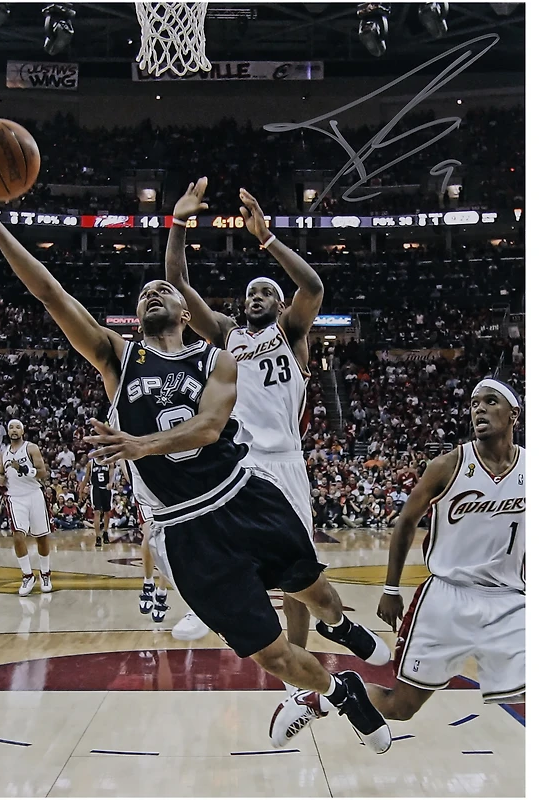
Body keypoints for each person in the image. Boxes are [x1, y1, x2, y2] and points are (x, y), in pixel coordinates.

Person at [0, 160, 392, 755]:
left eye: (162, 288)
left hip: (243, 495)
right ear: (135, 318)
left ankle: (342, 626)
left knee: (314, 591)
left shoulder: (219, 357)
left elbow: (211, 427)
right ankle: (341, 693)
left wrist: (138, 445)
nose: (153, 291)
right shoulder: (117, 357)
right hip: (184, 530)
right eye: (143, 294)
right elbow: (48, 291)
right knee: (268, 651)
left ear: (186, 312)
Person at [165, 178, 390, 687]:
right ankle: (209, 611)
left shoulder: (291, 333)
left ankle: (299, 677)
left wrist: (266, 238)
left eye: (268, 291)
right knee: (217, 548)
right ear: (243, 304)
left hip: (286, 462)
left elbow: (312, 288)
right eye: (253, 293)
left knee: (297, 576)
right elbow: (178, 284)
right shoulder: (227, 335)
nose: (261, 296)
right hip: (241, 464)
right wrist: (178, 223)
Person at [270, 377, 525, 742]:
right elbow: (405, 522)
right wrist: (391, 588)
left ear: (514, 413)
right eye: (473, 404)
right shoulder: (449, 465)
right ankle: (323, 698)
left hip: (508, 600)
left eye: (490, 402)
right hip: (447, 598)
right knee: (401, 706)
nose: (479, 409)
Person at [0, 418, 54, 596]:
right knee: (17, 535)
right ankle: (27, 575)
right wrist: (0, 478)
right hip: (15, 497)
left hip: (34, 494)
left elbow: (43, 473)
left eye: (17, 427)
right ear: (8, 432)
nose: (14, 430)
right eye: (11, 427)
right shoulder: (3, 452)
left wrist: (23, 469)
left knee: (42, 537)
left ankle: (45, 573)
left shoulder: (31, 448)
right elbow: (1, 473)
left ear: (22, 431)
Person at [79, 457, 113, 547]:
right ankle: (98, 536)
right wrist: (81, 490)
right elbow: (86, 477)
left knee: (107, 512)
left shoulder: (109, 462)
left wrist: (110, 483)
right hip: (96, 489)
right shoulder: (91, 463)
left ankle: (105, 532)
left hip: (106, 489)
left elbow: (111, 475)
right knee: (97, 512)